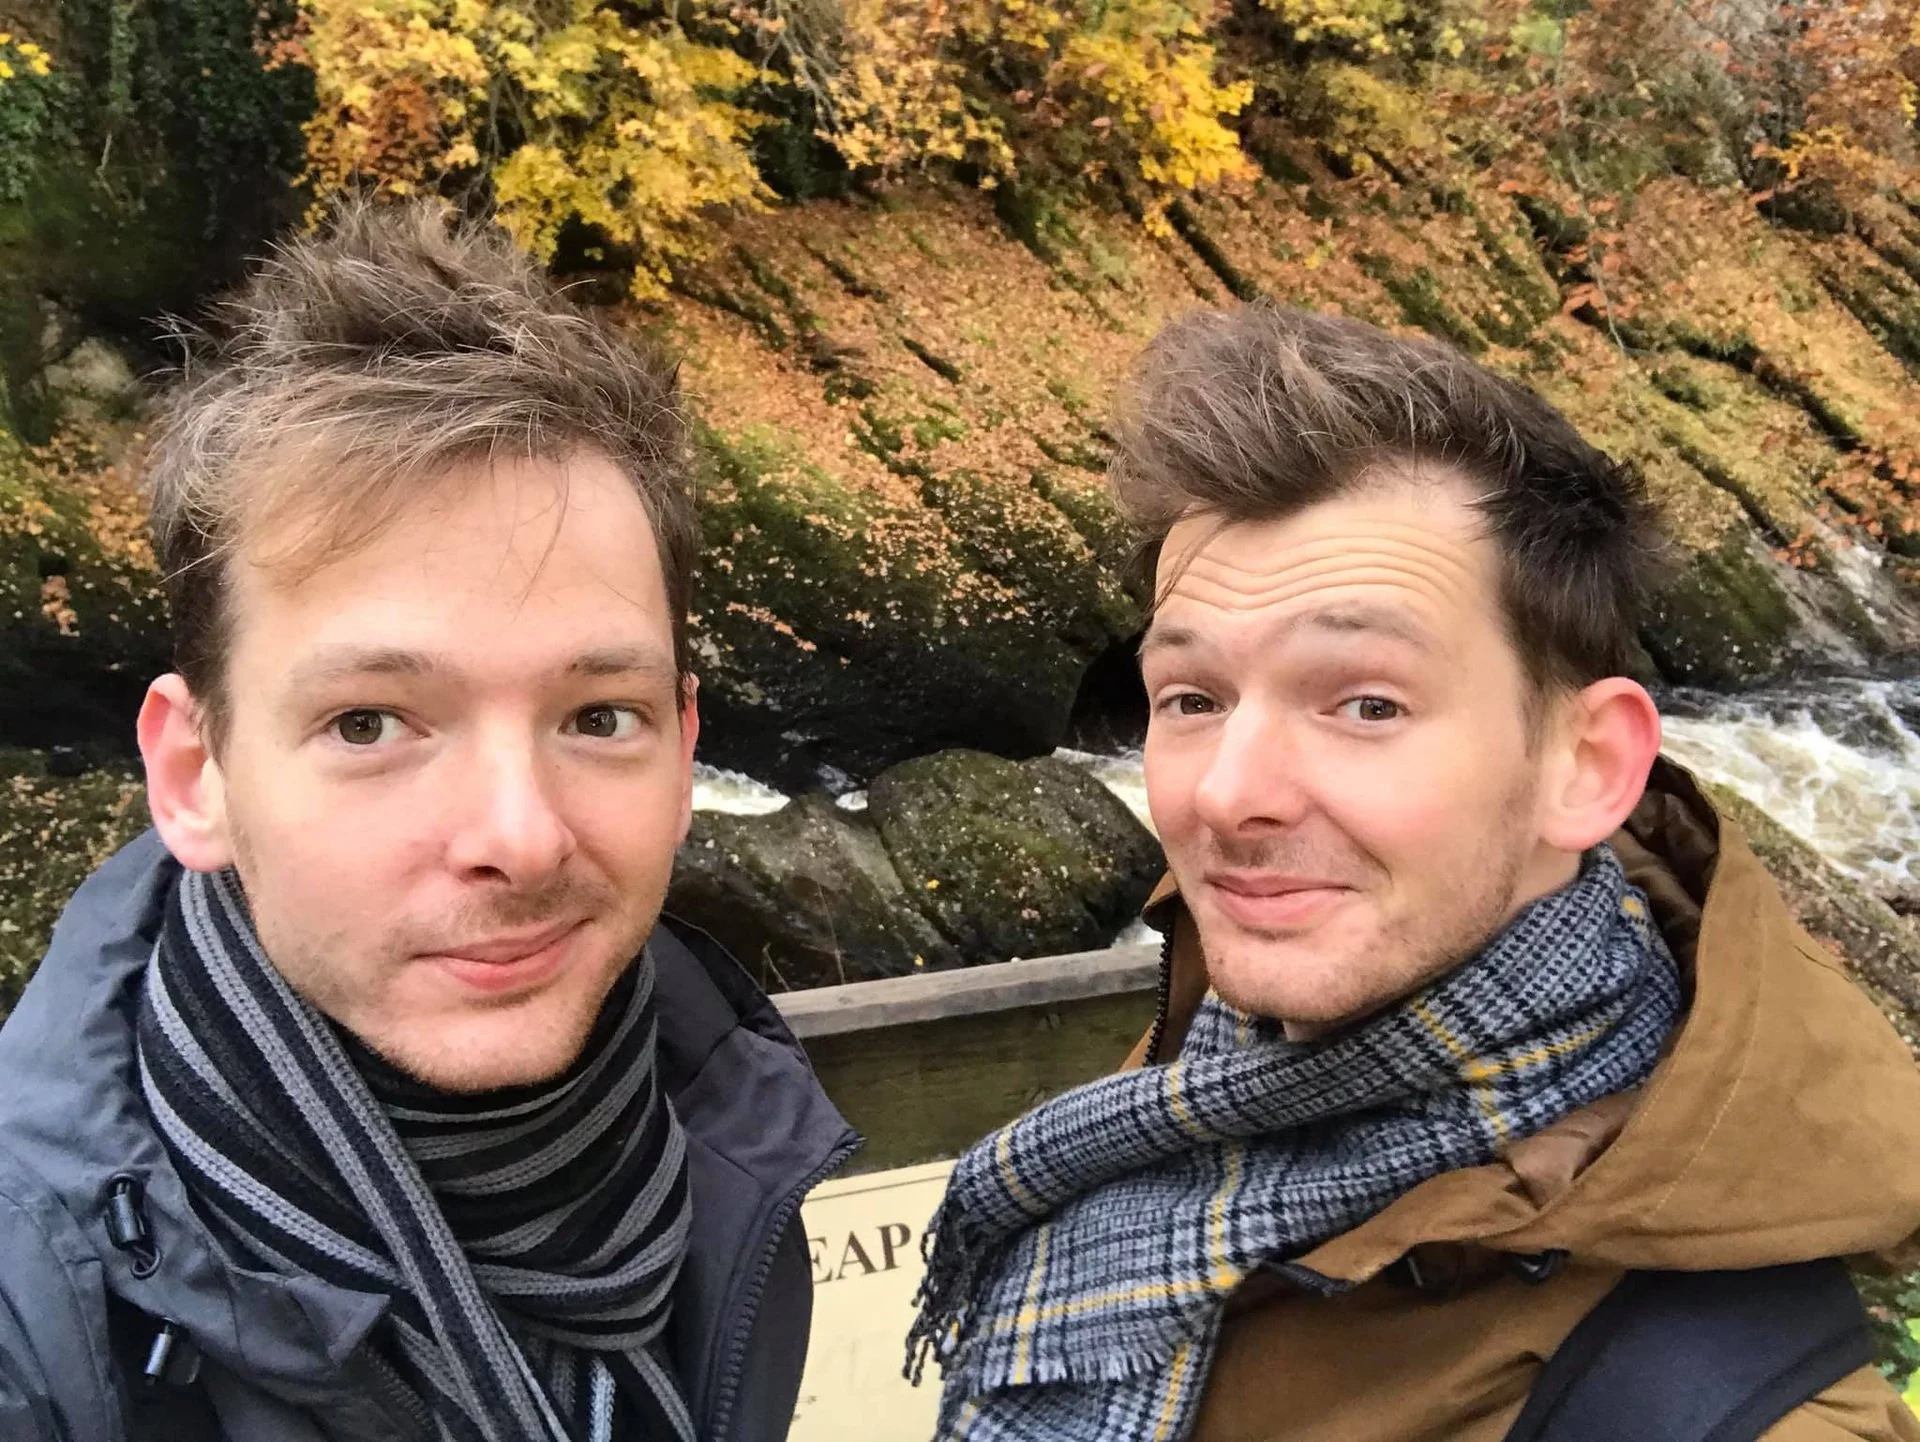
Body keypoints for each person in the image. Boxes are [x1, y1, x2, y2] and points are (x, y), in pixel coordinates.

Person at [907, 303, 1920, 1442]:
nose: (1230, 791)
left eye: (1366, 703)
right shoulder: (1228, 1058)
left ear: (1587, 767)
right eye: (1192, 698)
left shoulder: (1728, 1411)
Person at [0, 203, 855, 1442]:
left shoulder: (704, 1156)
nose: (518, 833)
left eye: (596, 715)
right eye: (370, 724)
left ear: (684, 750)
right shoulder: (42, 1334)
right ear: (195, 773)